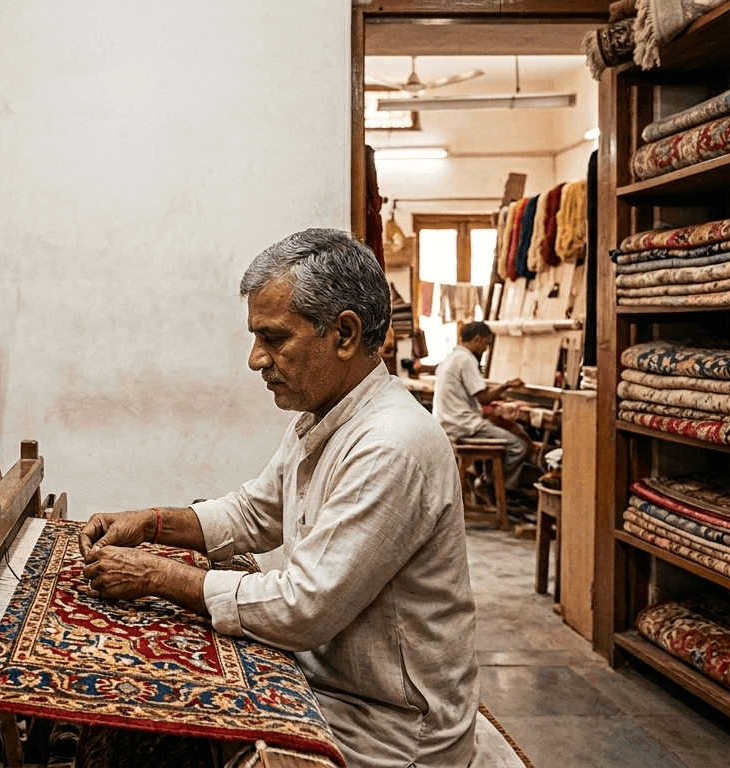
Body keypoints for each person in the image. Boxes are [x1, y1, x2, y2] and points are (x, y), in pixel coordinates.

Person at [80, 229, 478, 768]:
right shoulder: (322, 417)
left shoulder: (392, 445)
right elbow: (253, 513)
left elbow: (303, 609)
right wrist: (149, 523)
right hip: (334, 689)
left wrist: (156, 577)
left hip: (387, 730)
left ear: (344, 333)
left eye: (273, 338)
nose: (254, 359)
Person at [432, 322, 529, 490]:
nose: (485, 349)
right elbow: (483, 397)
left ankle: (487, 482)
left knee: (497, 432)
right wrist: (507, 385)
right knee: (519, 446)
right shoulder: (466, 359)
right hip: (463, 425)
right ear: (477, 340)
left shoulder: (450, 358)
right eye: (486, 344)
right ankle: (498, 490)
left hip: (447, 423)